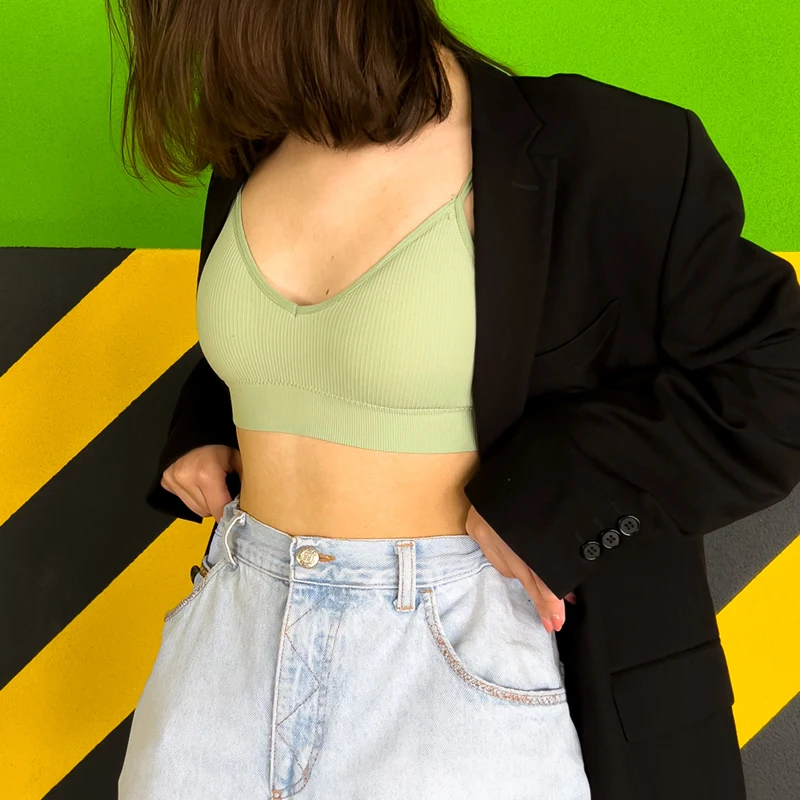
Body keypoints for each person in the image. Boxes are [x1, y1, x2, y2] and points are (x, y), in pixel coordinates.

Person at [108, 1, 800, 799]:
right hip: (228, 643)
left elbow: (776, 376)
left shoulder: (601, 150)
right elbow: (307, 346)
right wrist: (207, 424)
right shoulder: (252, 153)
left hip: (459, 660)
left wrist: (559, 497)